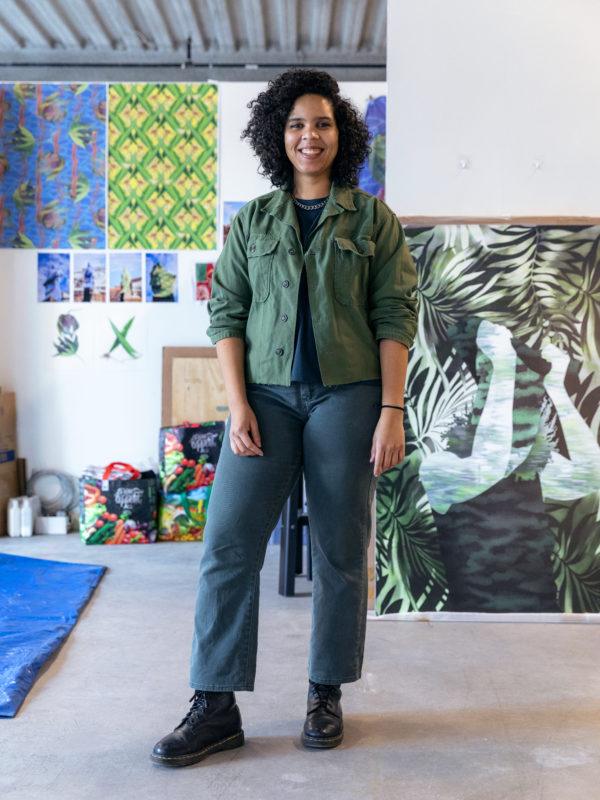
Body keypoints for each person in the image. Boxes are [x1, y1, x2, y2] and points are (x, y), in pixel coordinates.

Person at [151, 68, 419, 767]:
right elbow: (225, 315)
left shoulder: (372, 220)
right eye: (297, 124)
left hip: (349, 396)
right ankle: (215, 705)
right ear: (279, 133)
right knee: (229, 544)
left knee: (339, 547)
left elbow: (395, 316)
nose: (310, 135)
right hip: (264, 401)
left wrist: (392, 409)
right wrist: (236, 405)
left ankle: (324, 693)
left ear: (342, 134)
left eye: (323, 123)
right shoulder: (254, 221)